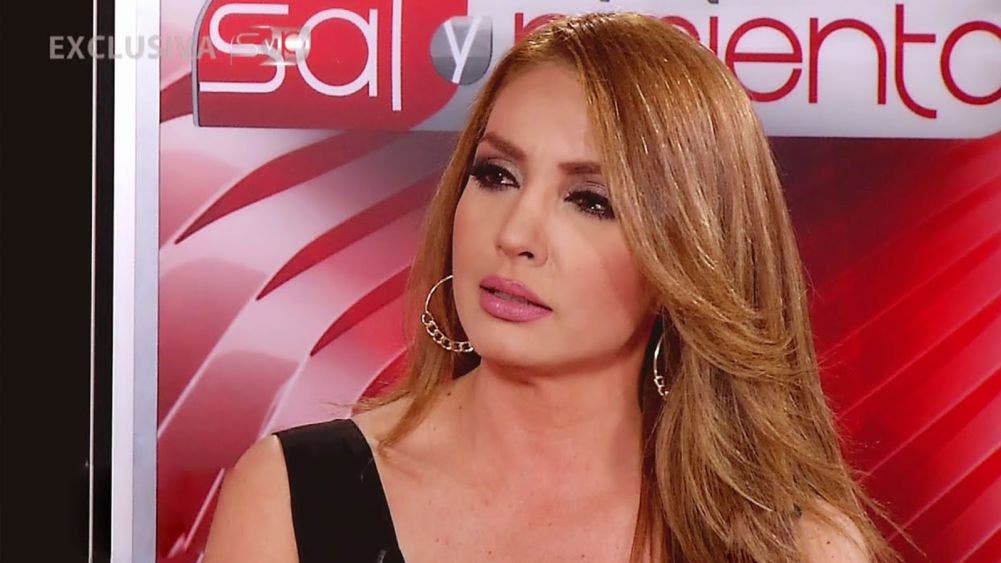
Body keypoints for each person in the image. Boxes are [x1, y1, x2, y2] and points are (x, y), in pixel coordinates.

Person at [202, 11, 914, 562]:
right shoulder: (290, 496)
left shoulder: (795, 548)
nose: (516, 232)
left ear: (687, 260)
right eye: (496, 174)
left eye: (591, 201)